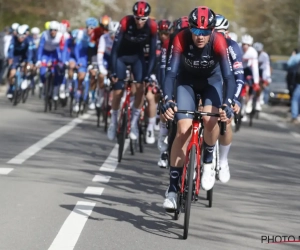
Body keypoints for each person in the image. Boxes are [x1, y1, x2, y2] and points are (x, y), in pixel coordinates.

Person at [161, 6, 235, 210]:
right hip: (186, 82)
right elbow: (170, 74)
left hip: (212, 81)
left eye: (205, 32)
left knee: (211, 119)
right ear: (189, 28)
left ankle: (209, 161)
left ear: (212, 30)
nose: (200, 37)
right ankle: (173, 190)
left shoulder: (219, 41)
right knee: (183, 128)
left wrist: (227, 103)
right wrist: (167, 99)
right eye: (196, 31)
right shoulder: (180, 38)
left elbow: (229, 77)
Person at [108, 1, 157, 142]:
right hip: (121, 57)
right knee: (117, 90)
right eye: (137, 18)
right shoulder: (125, 22)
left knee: (141, 88)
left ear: (147, 18)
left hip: (137, 58)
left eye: (143, 19)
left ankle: (134, 123)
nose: (139, 21)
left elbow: (153, 54)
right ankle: (113, 122)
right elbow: (115, 50)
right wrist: (113, 72)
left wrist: (148, 74)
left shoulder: (152, 26)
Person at [214, 14, 244, 183]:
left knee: (226, 120)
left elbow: (239, 77)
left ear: (226, 33)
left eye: (220, 32)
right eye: (213, 31)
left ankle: (223, 160)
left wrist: (235, 100)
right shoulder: (206, 44)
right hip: (209, 84)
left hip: (228, 85)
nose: (216, 35)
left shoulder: (232, 46)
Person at [7, 25, 33, 98]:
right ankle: (11, 89)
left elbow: (29, 52)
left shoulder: (28, 40)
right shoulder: (13, 39)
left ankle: (24, 78)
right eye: (19, 36)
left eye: (22, 36)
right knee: (12, 74)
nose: (20, 38)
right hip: (15, 56)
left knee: (26, 66)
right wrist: (10, 58)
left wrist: (28, 61)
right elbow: (11, 50)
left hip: (24, 56)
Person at [287, 50, 300, 124]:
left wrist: (293, 55)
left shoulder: (296, 57)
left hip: (298, 81)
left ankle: (295, 116)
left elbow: (289, 64)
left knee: (295, 98)